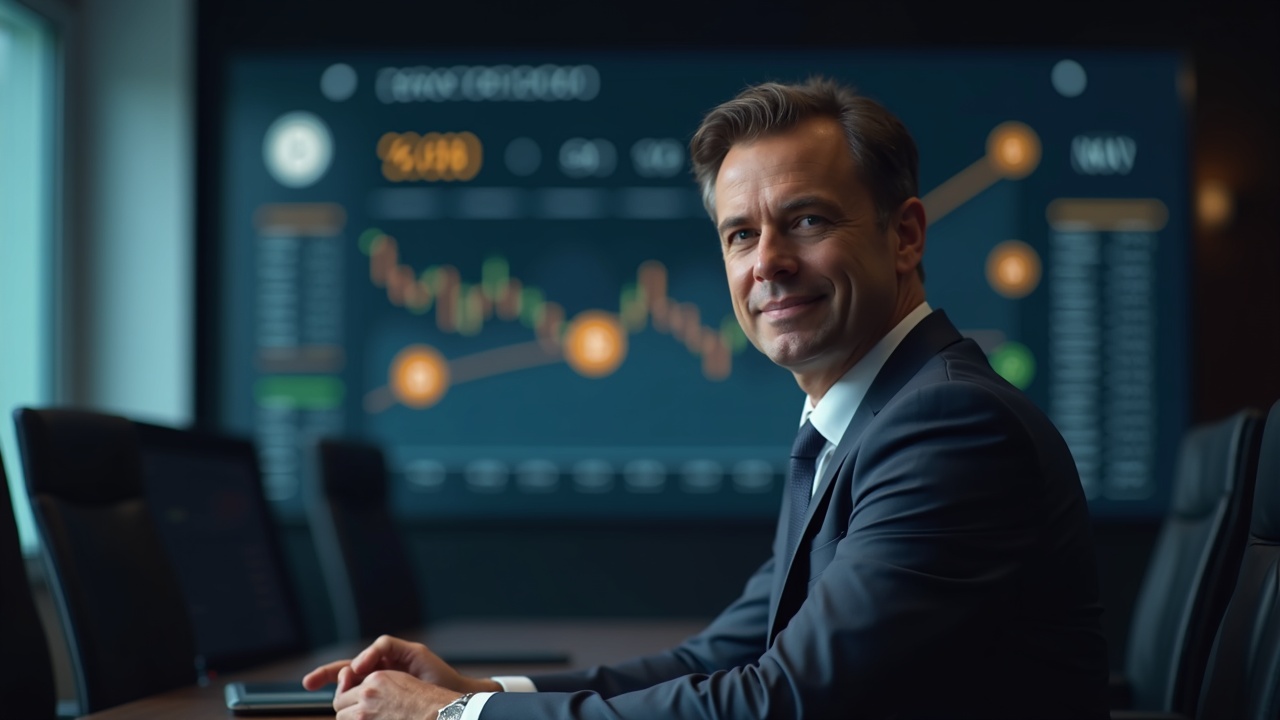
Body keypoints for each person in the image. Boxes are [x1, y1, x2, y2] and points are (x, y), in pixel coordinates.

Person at [304, 77, 1110, 719]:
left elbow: (779, 698)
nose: (768, 263)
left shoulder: (948, 426)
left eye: (805, 220)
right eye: (739, 235)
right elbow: (722, 658)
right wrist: (477, 693)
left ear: (905, 236)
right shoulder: (858, 425)